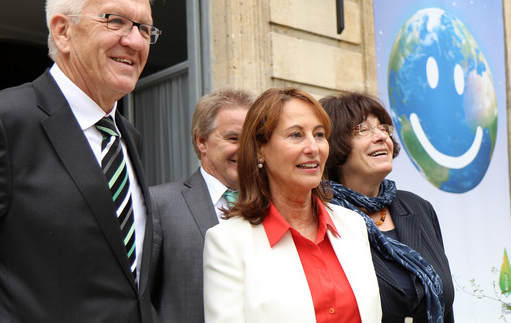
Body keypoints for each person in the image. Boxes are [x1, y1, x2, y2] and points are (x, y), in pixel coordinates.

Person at [0, 0, 162, 322]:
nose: (134, 41)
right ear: (62, 31)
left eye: (145, 28)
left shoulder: (125, 138)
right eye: (115, 20)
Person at [203, 87, 382, 323]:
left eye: (319, 135)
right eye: (296, 135)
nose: (313, 148)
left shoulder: (353, 225)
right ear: (260, 150)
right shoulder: (227, 243)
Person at [319, 91, 455, 323]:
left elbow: (445, 306)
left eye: (383, 128)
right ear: (334, 144)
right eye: (363, 129)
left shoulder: (418, 207)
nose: (381, 136)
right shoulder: (322, 216)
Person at [150, 88, 254, 323]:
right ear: (202, 140)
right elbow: (141, 298)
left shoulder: (272, 206)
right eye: (234, 138)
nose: (246, 148)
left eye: (252, 139)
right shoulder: (158, 204)